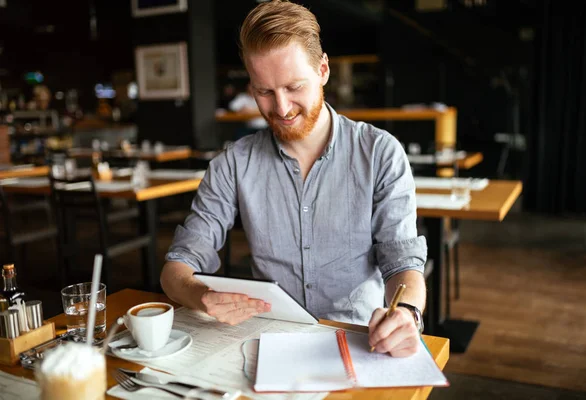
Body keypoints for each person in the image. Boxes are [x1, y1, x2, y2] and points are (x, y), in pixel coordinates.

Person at [161, 0, 427, 358]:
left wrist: (407, 313)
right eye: (264, 92)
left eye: (293, 87)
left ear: (323, 70)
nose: (282, 108)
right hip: (271, 341)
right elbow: (177, 267)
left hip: (359, 341)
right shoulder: (232, 164)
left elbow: (403, 264)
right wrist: (200, 295)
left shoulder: (380, 152)